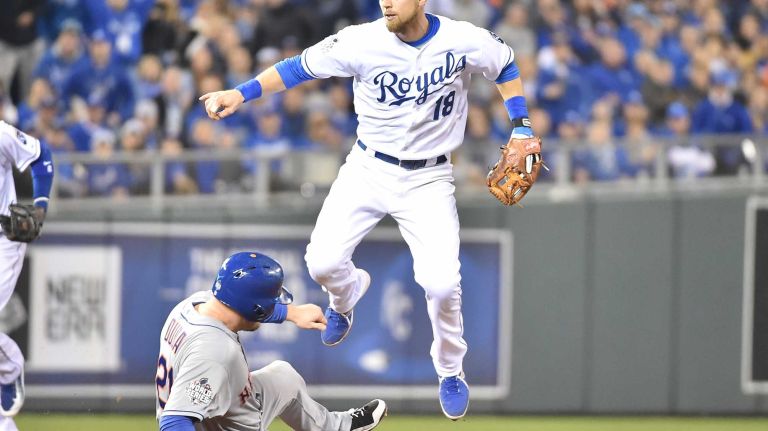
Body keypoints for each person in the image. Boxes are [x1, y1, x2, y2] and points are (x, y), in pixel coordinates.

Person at [200, 0, 536, 420]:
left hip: (428, 179)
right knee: (322, 262)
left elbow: (504, 63)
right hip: (369, 167)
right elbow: (297, 67)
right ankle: (345, 297)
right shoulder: (361, 41)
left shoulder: (461, 38)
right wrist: (240, 92)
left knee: (443, 284)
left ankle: (450, 370)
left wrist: (520, 122)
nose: (386, 2)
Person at [156, 252, 387, 431]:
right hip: (219, 423)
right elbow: (174, 422)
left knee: (283, 377)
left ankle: (338, 427)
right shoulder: (215, 351)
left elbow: (246, 303)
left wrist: (292, 313)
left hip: (223, 400)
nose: (274, 304)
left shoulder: (195, 303)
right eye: (272, 300)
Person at [0, 121, 54, 431]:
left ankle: (9, 369)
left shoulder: (2, 134)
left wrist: (40, 206)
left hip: (3, 239)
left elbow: (41, 155)